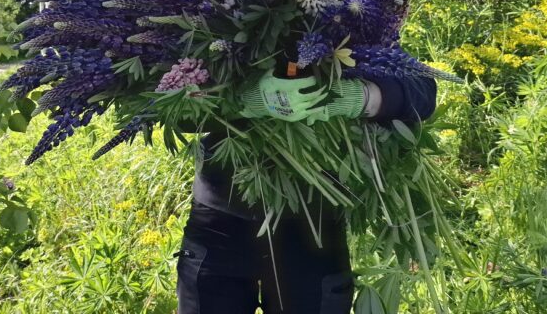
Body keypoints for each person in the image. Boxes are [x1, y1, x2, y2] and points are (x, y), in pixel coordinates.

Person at [175, 65, 437, 314]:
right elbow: (172, 107)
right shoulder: (210, 20)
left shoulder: (354, 23)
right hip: (221, 221)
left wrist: (364, 96)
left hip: (315, 230)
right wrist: (247, 101)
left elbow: (423, 92)